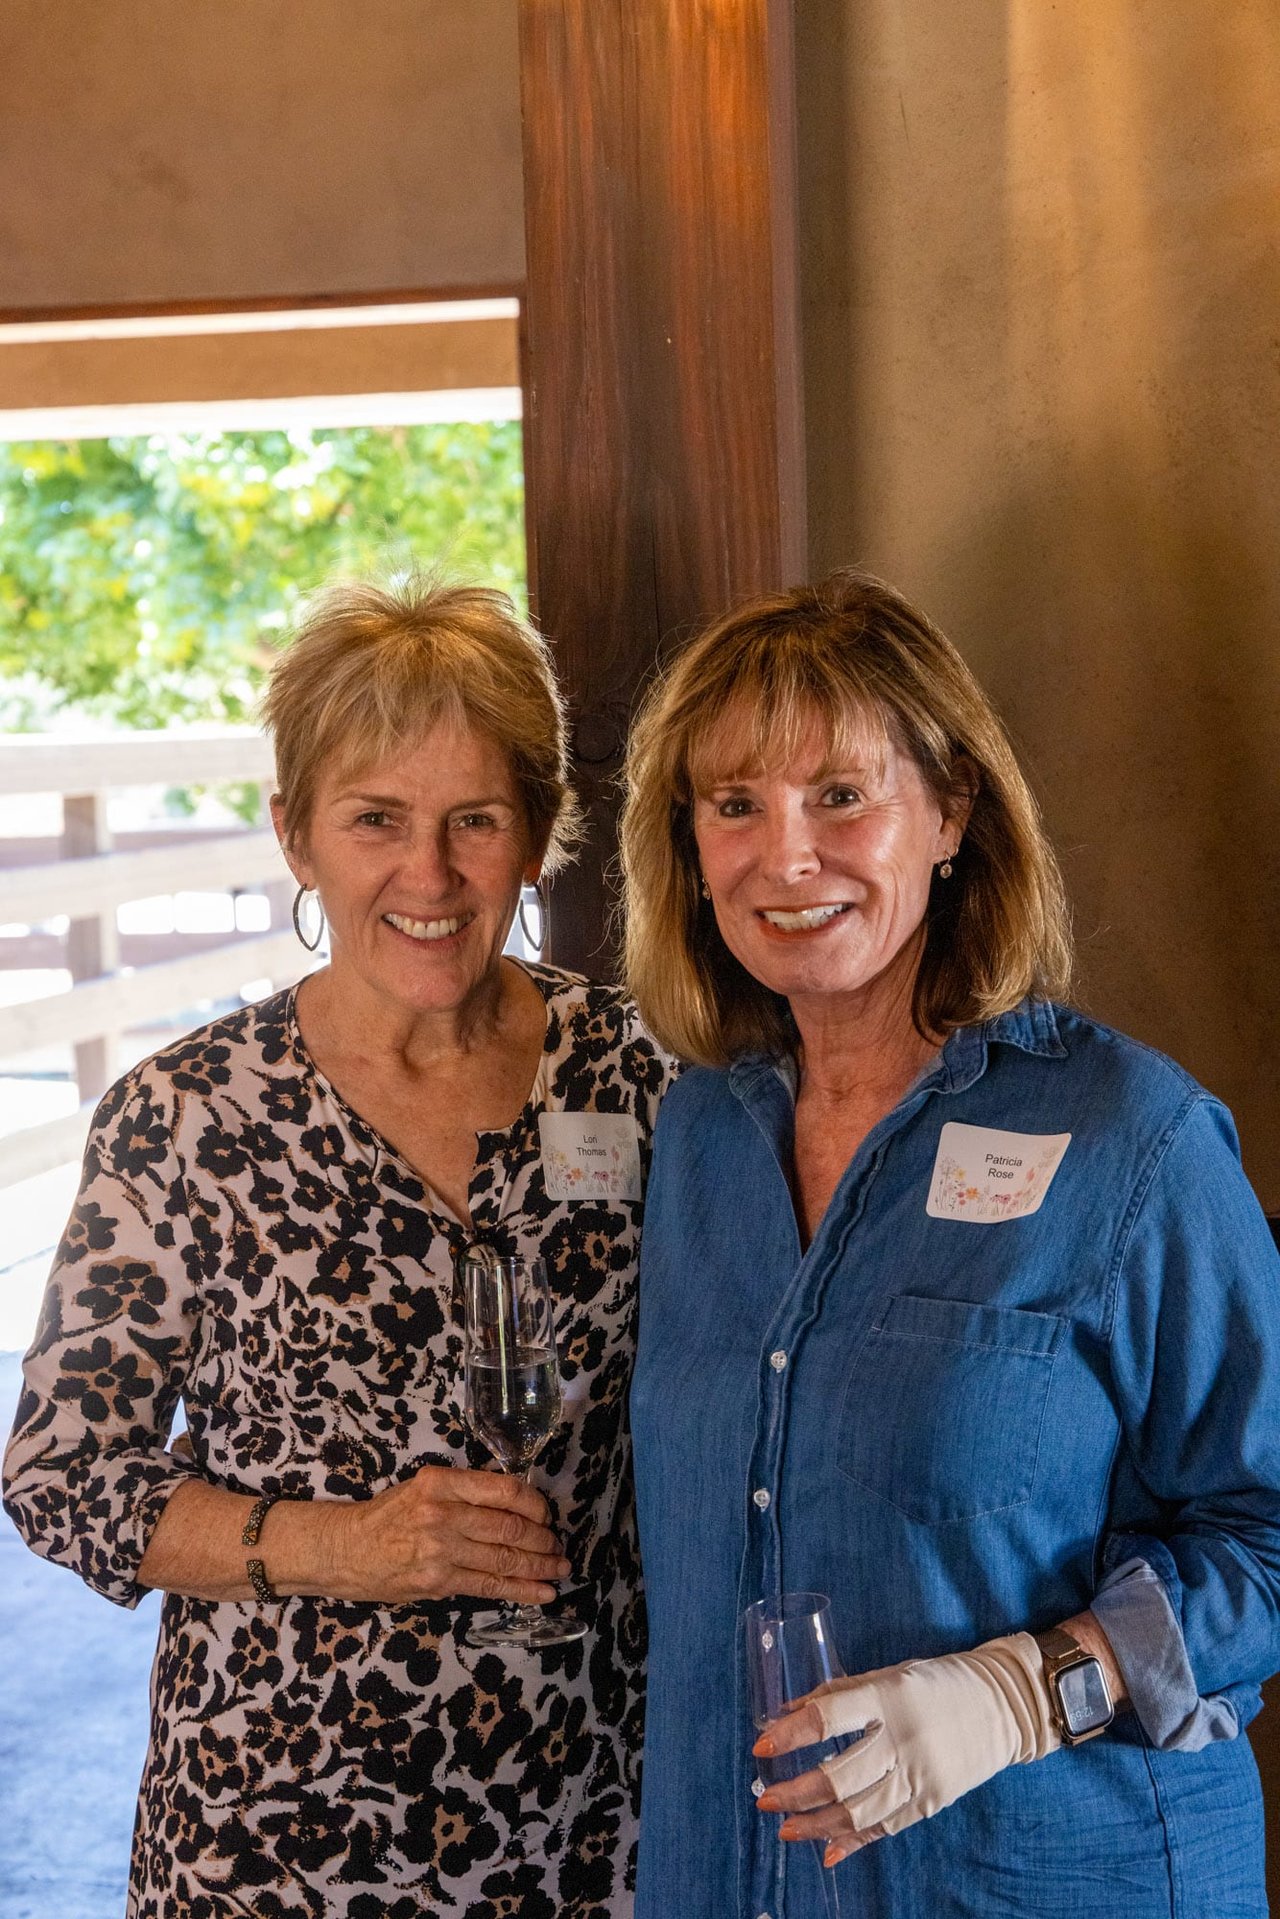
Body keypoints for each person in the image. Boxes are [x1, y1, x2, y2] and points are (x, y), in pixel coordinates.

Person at [4, 576, 672, 1919]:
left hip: (593, 1821)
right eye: (376, 820)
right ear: (295, 835)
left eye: (475, 821)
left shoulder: (642, 1078)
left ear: (540, 837)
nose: (427, 876)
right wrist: (351, 1547)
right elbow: (65, 1482)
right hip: (276, 1835)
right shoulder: (186, 1116)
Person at [620, 567, 1280, 1918]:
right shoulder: (696, 1142)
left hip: (1046, 1880)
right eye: (734, 804)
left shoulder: (1129, 1136)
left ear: (952, 812)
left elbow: (1268, 1531)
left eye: (840, 796)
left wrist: (1023, 1693)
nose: (785, 855)